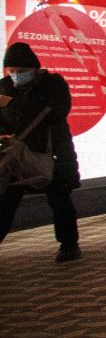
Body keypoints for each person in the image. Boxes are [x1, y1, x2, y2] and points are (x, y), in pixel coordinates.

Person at [0, 42, 81, 262]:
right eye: (11, 70)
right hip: (16, 154)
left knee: (59, 196)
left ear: (33, 68)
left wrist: (15, 106)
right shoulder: (3, 87)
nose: (16, 75)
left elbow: (57, 113)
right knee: (6, 199)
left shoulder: (53, 85)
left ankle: (69, 244)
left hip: (52, 151)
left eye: (21, 70)